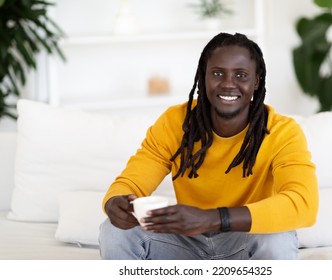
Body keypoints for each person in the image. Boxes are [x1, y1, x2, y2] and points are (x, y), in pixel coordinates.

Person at [99, 32, 319, 260]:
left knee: (276, 238)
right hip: (184, 242)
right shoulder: (175, 123)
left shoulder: (283, 132)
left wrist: (215, 218)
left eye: (241, 75)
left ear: (256, 81)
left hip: (246, 238)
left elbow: (304, 203)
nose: (228, 84)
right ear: (203, 77)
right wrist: (116, 202)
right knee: (114, 231)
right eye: (217, 73)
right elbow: (132, 181)